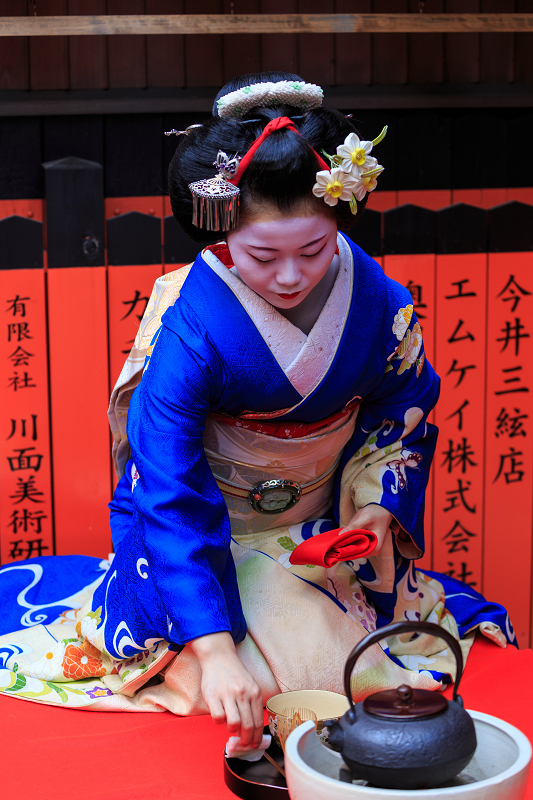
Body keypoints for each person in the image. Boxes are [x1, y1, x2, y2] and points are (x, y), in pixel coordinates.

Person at [0, 73, 513, 746]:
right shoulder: (190, 331)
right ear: (219, 238)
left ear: (338, 216)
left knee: (332, 676)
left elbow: (404, 407)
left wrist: (374, 508)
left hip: (321, 526)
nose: (292, 275)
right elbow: (169, 486)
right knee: (264, 683)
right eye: (262, 256)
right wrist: (210, 647)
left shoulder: (377, 300)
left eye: (313, 248)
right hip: (205, 534)